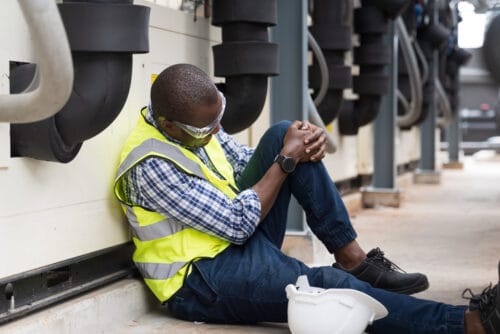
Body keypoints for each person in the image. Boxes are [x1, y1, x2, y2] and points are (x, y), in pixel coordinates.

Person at [114, 63, 500, 333]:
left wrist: (303, 147)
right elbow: (236, 224)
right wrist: (286, 160)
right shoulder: (149, 165)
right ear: (168, 125)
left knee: (285, 131)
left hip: (234, 241)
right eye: (206, 129)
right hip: (201, 280)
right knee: (330, 287)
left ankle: (354, 259)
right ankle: (466, 324)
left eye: (220, 120)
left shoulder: (198, 129)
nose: (216, 132)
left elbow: (248, 162)